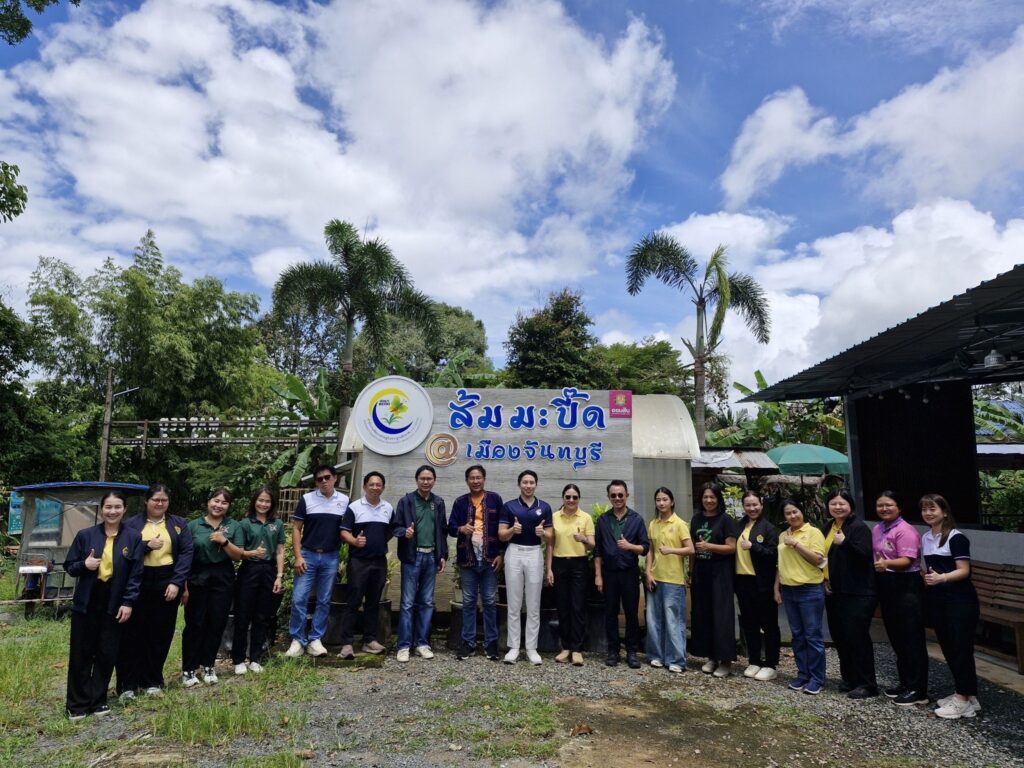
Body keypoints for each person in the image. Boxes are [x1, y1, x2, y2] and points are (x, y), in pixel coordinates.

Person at [64, 491, 145, 720]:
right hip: (88, 600)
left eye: (117, 507)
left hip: (115, 600)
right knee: (81, 652)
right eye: (108, 507)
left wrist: (128, 602)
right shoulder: (85, 535)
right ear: (102, 509)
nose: (112, 511)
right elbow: (69, 566)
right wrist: (85, 564)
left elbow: (136, 574)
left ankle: (98, 700)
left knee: (106, 652)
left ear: (124, 509)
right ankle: (77, 704)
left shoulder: (133, 537)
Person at [117, 483, 193, 700]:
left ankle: (152, 681)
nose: (159, 503)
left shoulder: (179, 524)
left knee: (160, 632)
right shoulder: (132, 524)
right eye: (155, 499)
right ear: (146, 501)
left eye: (164, 500)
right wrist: (146, 546)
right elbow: (123, 552)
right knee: (132, 633)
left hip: (167, 580)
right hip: (138, 580)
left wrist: (177, 582)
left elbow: (186, 553)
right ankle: (127, 684)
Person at [921, 494, 980, 719]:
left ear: (944, 512)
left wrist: (942, 578)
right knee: (948, 647)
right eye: (924, 509)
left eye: (932, 509)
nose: (928, 513)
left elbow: (964, 570)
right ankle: (968, 695)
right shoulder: (927, 537)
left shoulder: (956, 538)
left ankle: (962, 699)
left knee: (960, 648)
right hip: (939, 600)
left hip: (960, 601)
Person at [285, 464, 349, 658]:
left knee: (324, 600)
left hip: (331, 556)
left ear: (335, 478)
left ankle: (315, 639)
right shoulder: (307, 499)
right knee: (299, 598)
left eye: (327, 477)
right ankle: (297, 640)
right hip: (308, 555)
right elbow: (296, 528)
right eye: (319, 479)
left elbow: (346, 529)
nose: (324, 481)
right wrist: (298, 556)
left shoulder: (344, 501)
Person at [181, 488, 243, 687]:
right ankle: (189, 669)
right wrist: (184, 586)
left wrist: (224, 541)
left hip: (223, 576)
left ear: (228, 506)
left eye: (224, 502)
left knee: (216, 622)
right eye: (216, 501)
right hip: (197, 575)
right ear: (208, 502)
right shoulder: (193, 525)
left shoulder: (233, 526)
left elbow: (238, 555)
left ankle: (208, 665)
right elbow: (184, 557)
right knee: (195, 623)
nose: (219, 505)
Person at [873, 490, 929, 707]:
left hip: (906, 585)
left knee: (911, 638)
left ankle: (918, 689)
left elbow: (907, 560)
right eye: (880, 505)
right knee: (897, 637)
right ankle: (905, 682)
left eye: (889, 505)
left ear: (899, 507)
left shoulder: (906, 530)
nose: (884, 509)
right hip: (887, 584)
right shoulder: (878, 529)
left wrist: (886, 564)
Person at [821, 488, 878, 698]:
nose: (837, 507)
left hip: (857, 591)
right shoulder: (828, 526)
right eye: (833, 503)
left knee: (857, 637)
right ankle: (850, 678)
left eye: (842, 503)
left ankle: (867, 684)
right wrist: (825, 579)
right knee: (840, 636)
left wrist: (845, 543)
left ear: (850, 505)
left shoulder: (858, 527)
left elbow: (866, 555)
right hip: (835, 590)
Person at [448, 465, 505, 660]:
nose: (475, 481)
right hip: (468, 559)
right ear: (467, 481)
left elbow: (502, 528)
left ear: (484, 479)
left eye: (478, 477)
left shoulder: (495, 499)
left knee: (489, 601)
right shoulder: (460, 502)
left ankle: (491, 644)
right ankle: (468, 643)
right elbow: (450, 527)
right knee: (469, 602)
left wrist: (501, 554)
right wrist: (461, 529)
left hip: (490, 559)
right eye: (471, 478)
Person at [393, 465, 448, 663]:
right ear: (416, 480)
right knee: (407, 603)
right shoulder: (407, 501)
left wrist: (443, 555)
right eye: (422, 478)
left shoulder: (438, 502)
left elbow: (442, 531)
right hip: (412, 557)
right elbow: (396, 527)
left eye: (429, 479)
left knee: (426, 602)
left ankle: (422, 644)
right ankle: (404, 646)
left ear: (434, 480)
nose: (426, 482)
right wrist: (404, 533)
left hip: (431, 557)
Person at [773, 498, 827, 695]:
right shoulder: (783, 535)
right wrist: (776, 588)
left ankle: (817, 678)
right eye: (788, 513)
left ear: (802, 512)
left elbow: (819, 560)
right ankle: (803, 674)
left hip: (809, 589)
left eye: (795, 511)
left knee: (812, 635)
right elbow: (780, 564)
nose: (792, 516)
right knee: (797, 635)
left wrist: (796, 544)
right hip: (789, 590)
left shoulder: (814, 532)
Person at [339, 471, 395, 659]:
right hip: (358, 562)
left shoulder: (388, 508)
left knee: (373, 602)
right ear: (364, 486)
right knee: (353, 601)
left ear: (383, 488)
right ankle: (347, 643)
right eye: (371, 484)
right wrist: (355, 541)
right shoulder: (354, 507)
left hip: (379, 562)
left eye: (379, 484)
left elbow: (390, 530)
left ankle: (369, 640)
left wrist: (377, 542)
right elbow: (344, 532)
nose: (375, 487)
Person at [499, 470, 553, 665]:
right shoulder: (509, 506)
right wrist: (512, 530)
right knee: (514, 603)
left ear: (536, 485)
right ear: (519, 484)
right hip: (514, 552)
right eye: (525, 482)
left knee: (533, 603)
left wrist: (542, 533)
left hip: (534, 553)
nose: (528, 486)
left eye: (531, 482)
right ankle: (513, 647)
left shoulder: (544, 507)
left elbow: (551, 536)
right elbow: (501, 535)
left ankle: (531, 648)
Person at [594, 480, 649, 669]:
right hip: (609, 574)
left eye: (620, 495)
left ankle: (632, 652)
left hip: (629, 573)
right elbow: (598, 550)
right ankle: (613, 651)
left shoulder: (636, 519)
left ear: (627, 496)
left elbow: (645, 548)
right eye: (613, 495)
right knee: (610, 613)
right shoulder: (603, 520)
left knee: (631, 613)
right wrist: (598, 575)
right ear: (609, 497)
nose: (617, 498)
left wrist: (630, 546)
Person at [232, 486, 286, 675]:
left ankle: (255, 658)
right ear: (254, 501)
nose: (263, 504)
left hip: (269, 571)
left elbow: (280, 551)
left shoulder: (277, 524)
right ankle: (239, 659)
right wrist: (253, 553)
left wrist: (279, 576)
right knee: (242, 615)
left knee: (262, 616)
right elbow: (239, 552)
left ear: (272, 504)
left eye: (267, 501)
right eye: (260, 500)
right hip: (249, 570)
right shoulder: (245, 524)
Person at [688, 482, 738, 677]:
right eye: (705, 497)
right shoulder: (696, 519)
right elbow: (693, 549)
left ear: (718, 499)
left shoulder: (726, 520)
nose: (708, 500)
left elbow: (731, 547)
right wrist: (690, 572)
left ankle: (725, 660)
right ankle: (711, 657)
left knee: (722, 615)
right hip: (701, 572)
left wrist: (710, 546)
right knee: (704, 614)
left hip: (721, 573)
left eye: (712, 497)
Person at [644, 487, 693, 673]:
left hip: (674, 580)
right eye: (658, 500)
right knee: (654, 620)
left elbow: (691, 549)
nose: (661, 503)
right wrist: (648, 572)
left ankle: (677, 660)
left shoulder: (680, 524)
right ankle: (656, 656)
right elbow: (650, 550)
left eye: (665, 499)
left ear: (672, 501)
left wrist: (671, 550)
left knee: (674, 621)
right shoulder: (653, 523)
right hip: (655, 577)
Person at [545, 483, 595, 666]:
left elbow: (592, 545)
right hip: (559, 564)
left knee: (578, 607)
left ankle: (577, 649)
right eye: (568, 497)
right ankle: (565, 647)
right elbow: (550, 544)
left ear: (579, 499)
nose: (571, 500)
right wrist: (549, 568)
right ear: (563, 498)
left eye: (574, 497)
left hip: (579, 565)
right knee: (563, 607)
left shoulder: (586, 517)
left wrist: (584, 539)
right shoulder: (554, 517)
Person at [734, 490, 780, 682]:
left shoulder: (769, 528)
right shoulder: (739, 525)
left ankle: (771, 664)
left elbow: (773, 555)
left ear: (761, 504)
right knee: (749, 623)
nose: (752, 508)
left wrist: (754, 546)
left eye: (755, 504)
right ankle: (754, 660)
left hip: (762, 582)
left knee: (768, 624)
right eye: (748, 505)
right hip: (742, 581)